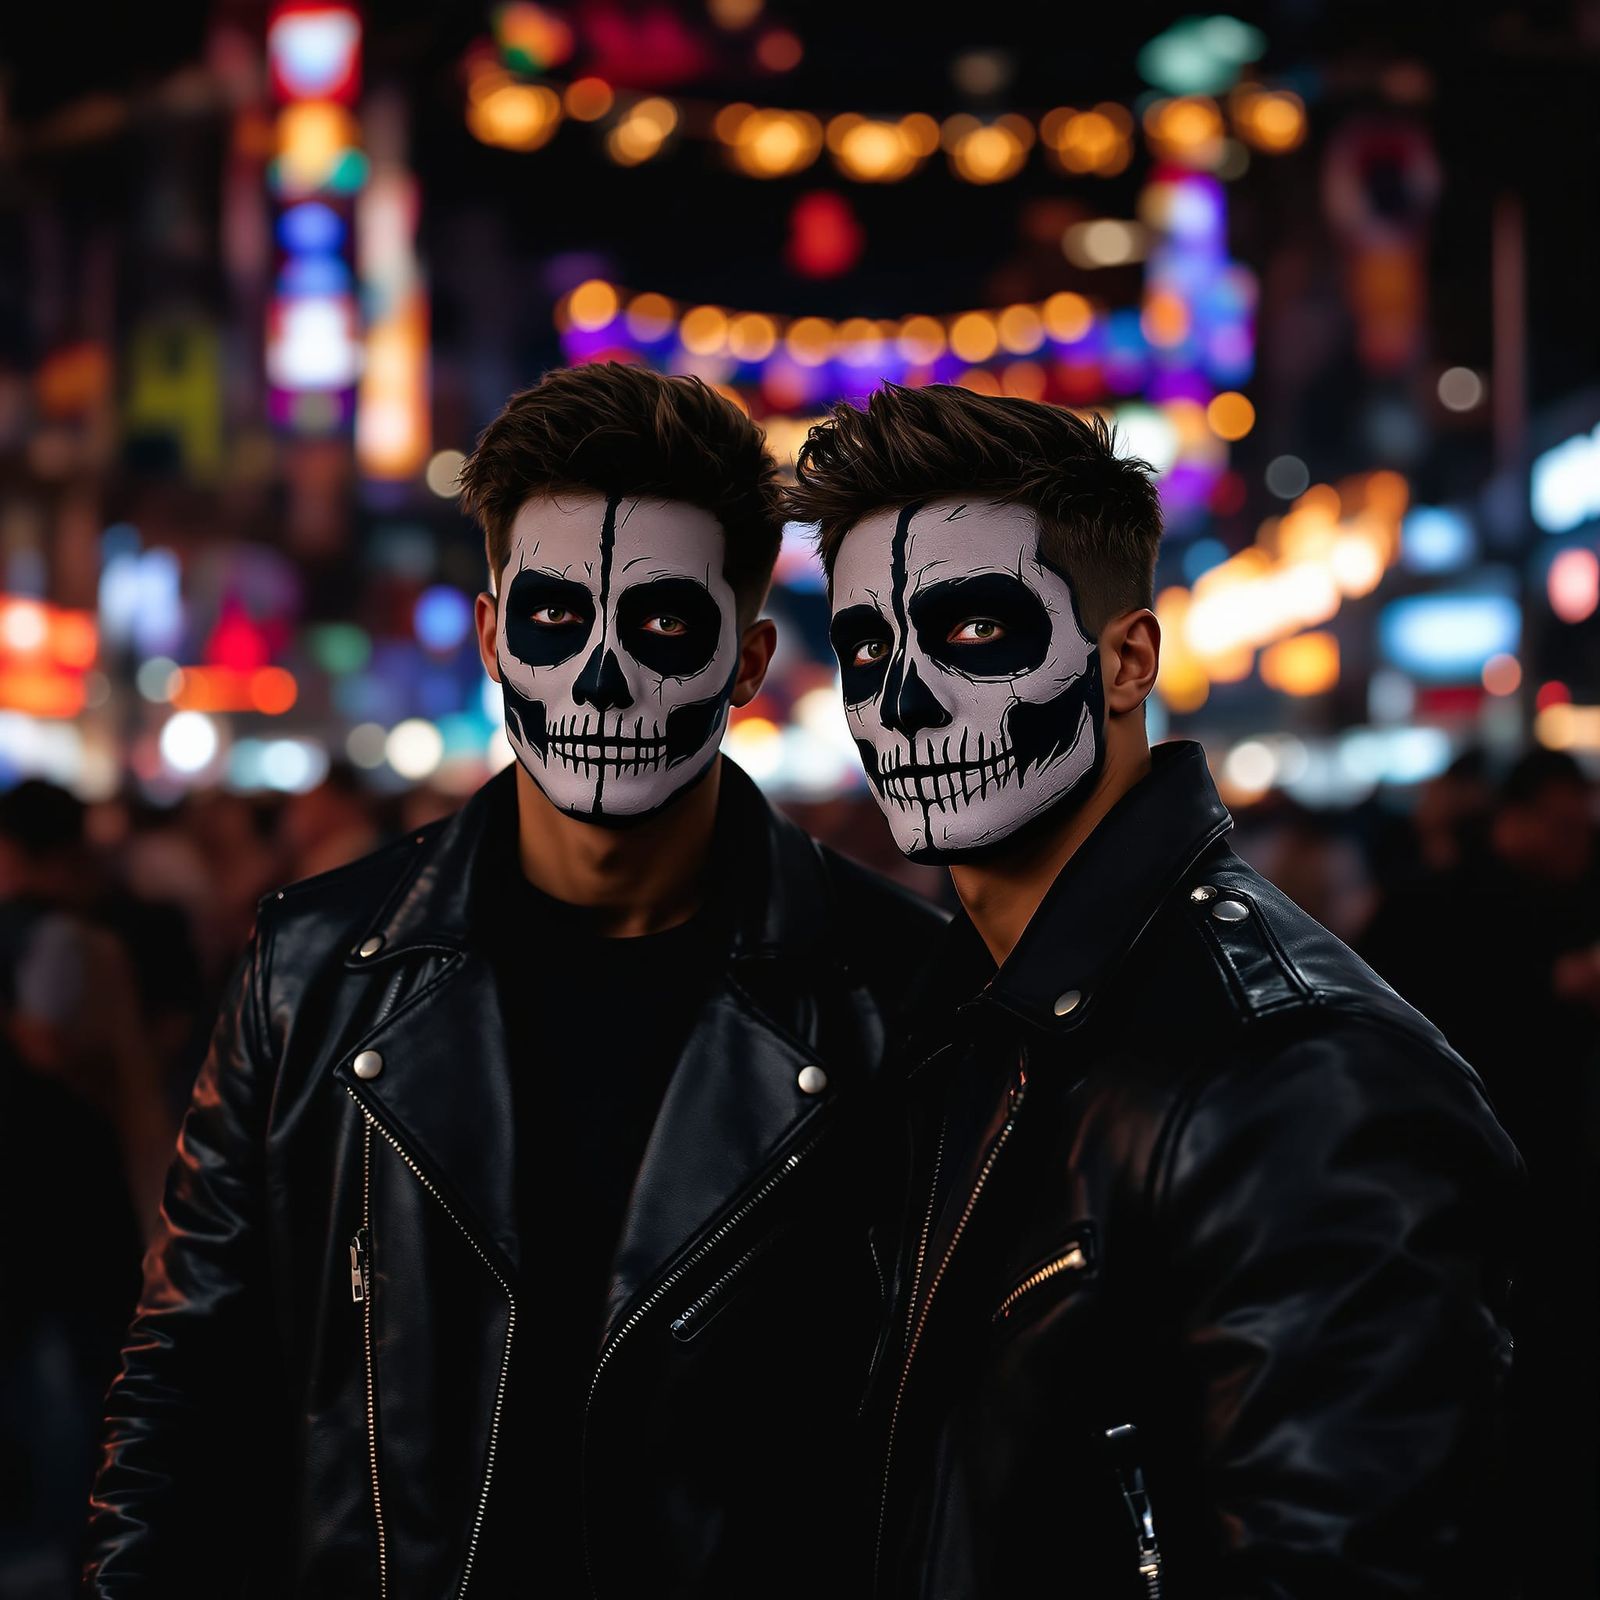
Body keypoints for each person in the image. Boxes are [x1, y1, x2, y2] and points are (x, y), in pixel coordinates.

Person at [85, 363, 943, 1598]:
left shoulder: (898, 995)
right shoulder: (314, 972)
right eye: (553, 620)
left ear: (747, 660)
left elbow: (951, 1440)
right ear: (493, 635)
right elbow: (191, 1381)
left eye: (660, 624)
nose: (599, 679)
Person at [788, 383, 1523, 1598]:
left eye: (974, 632)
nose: (902, 701)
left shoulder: (1298, 1078)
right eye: (869, 647)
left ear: (1127, 660)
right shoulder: (939, 1025)